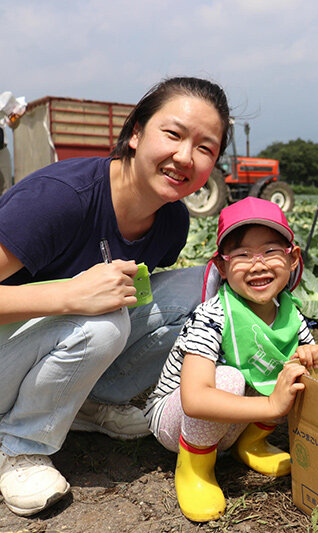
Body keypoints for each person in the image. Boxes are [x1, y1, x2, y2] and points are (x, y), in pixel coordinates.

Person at [0, 76, 231, 516]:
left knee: (205, 288)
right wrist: (69, 295)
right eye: (174, 134)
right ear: (136, 133)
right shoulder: (61, 198)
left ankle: (85, 404)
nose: (185, 156)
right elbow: (86, 306)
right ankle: (18, 446)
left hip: (46, 344)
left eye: (205, 148)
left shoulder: (171, 223)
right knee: (101, 320)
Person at [144, 197, 318, 522]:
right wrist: (271, 407)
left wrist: (309, 355)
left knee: (297, 371)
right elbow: (195, 400)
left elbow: (305, 360)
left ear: (293, 258)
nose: (258, 265)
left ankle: (251, 444)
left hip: (233, 421)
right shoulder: (212, 316)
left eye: (270, 251)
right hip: (178, 419)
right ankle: (195, 469)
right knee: (228, 379)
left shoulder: (291, 314)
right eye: (242, 255)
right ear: (223, 268)